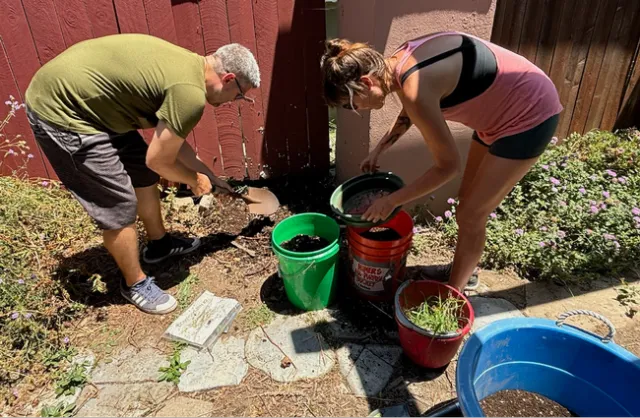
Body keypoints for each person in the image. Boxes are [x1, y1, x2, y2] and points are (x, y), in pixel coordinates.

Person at [25, 34, 260, 314]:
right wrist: (194, 181)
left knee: (142, 174)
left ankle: (159, 245)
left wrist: (212, 177)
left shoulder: (190, 68)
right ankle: (134, 283)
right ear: (229, 78)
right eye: (240, 95)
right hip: (63, 112)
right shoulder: (190, 95)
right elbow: (159, 160)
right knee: (119, 204)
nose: (236, 101)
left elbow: (174, 145)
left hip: (96, 107)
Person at [320, 31, 562, 291]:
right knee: (467, 202)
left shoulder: (415, 87)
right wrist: (380, 148)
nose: (355, 110)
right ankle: (466, 271)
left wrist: (392, 201)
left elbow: (448, 167)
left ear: (367, 83)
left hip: (528, 115)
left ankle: (452, 297)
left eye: (351, 103)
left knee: (470, 215)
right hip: (498, 114)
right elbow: (410, 111)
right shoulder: (400, 61)